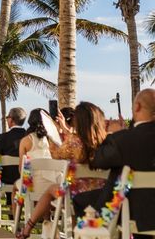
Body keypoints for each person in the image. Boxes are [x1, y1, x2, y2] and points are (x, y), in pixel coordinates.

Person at [75, 89, 155, 233]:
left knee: (80, 200)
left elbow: (98, 161)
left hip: (134, 216)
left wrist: (114, 134)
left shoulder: (122, 140)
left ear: (137, 107)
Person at [15, 102, 107, 239]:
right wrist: (65, 129)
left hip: (74, 195)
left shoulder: (73, 143)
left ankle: (27, 228)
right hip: (102, 195)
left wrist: (54, 133)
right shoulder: (107, 141)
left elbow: (55, 155)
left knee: (50, 190)